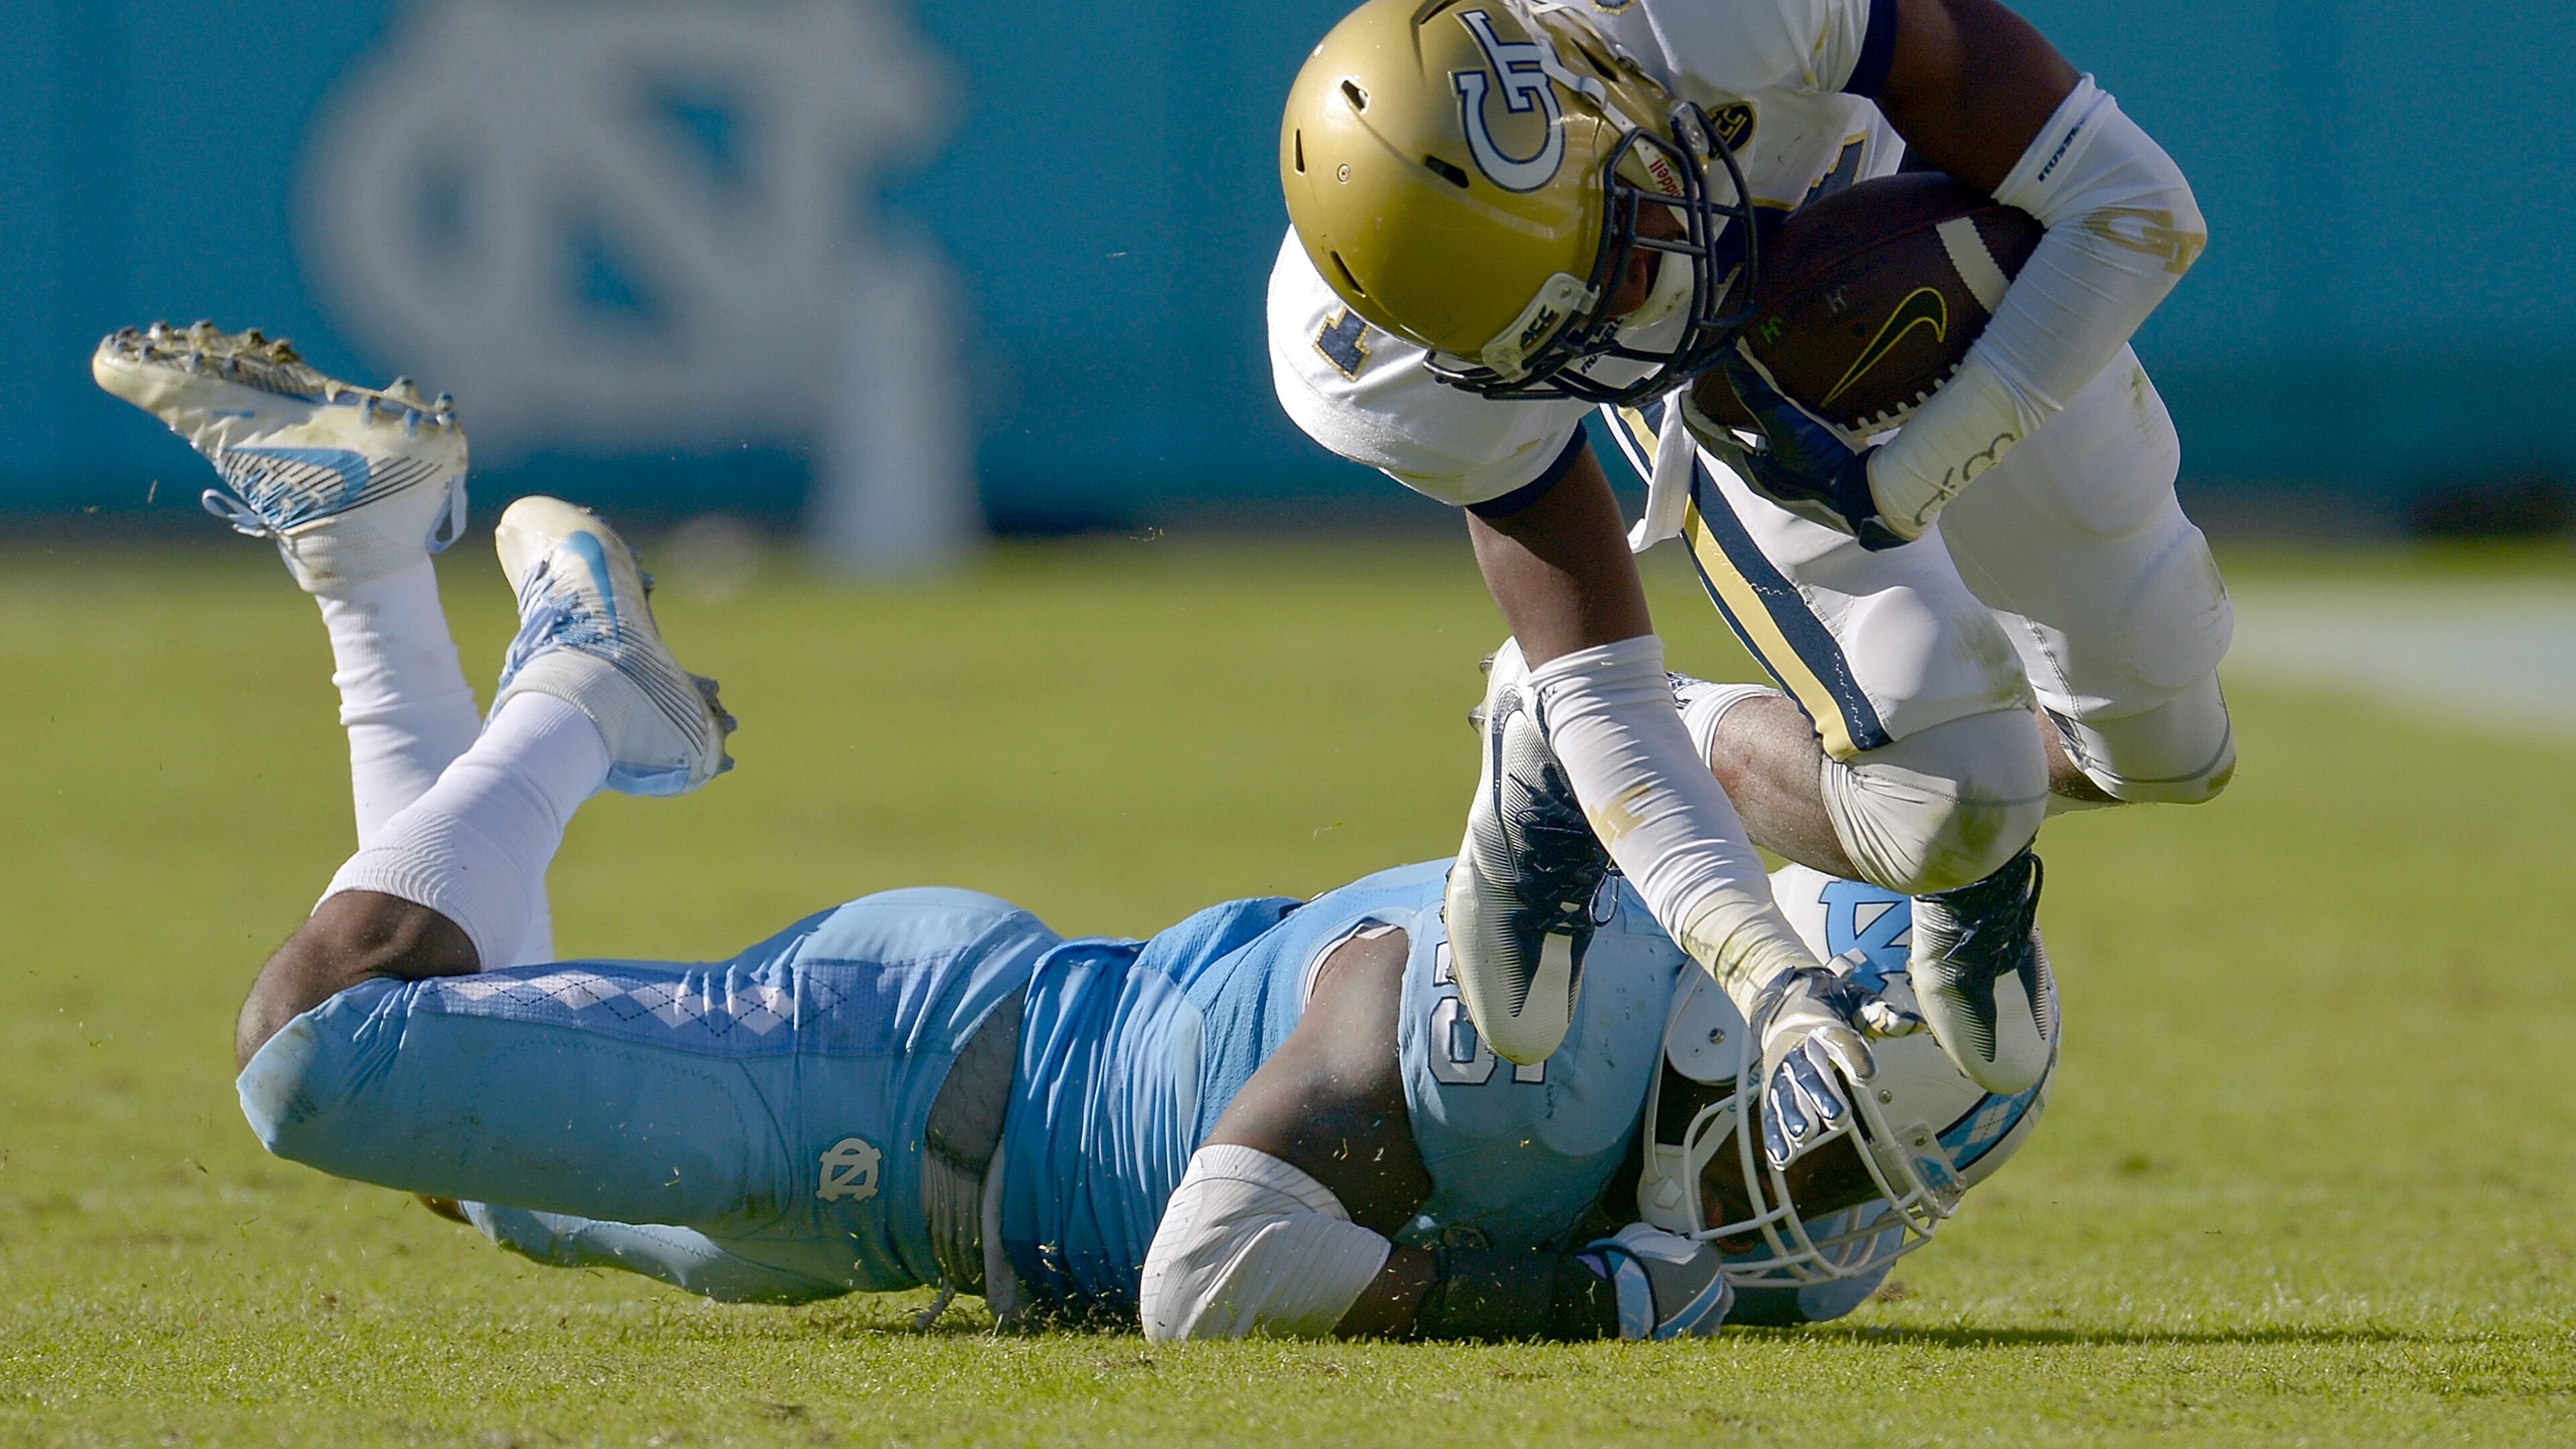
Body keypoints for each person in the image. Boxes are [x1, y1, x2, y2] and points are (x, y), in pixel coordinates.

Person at [97, 325, 2051, 1340]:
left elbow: (1716, 813)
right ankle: (567, 690)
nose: (1819, 1199)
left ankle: (365, 551)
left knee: (458, 1151)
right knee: (319, 1053)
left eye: (1863, 1161)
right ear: (1732, 1005)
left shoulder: (1797, 1221)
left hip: (907, 1215)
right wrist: (1565, 1301)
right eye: (1832, 1123)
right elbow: (1216, 1268)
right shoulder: (1518, 1038)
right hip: (903, 1068)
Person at [1272, 0, 2230, 1116]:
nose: (1634, 317)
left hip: (1940, 266)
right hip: (1738, 391)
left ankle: (1973, 824)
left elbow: (2134, 208)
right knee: (1958, 801)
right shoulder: (1377, 357)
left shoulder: (1713, 17)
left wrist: (1899, 482)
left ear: (1598, 88)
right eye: (1564, 332)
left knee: (2170, 750)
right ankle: (1579, 756)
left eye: (1620, 250)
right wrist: (1762, 969)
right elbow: (1601, 675)